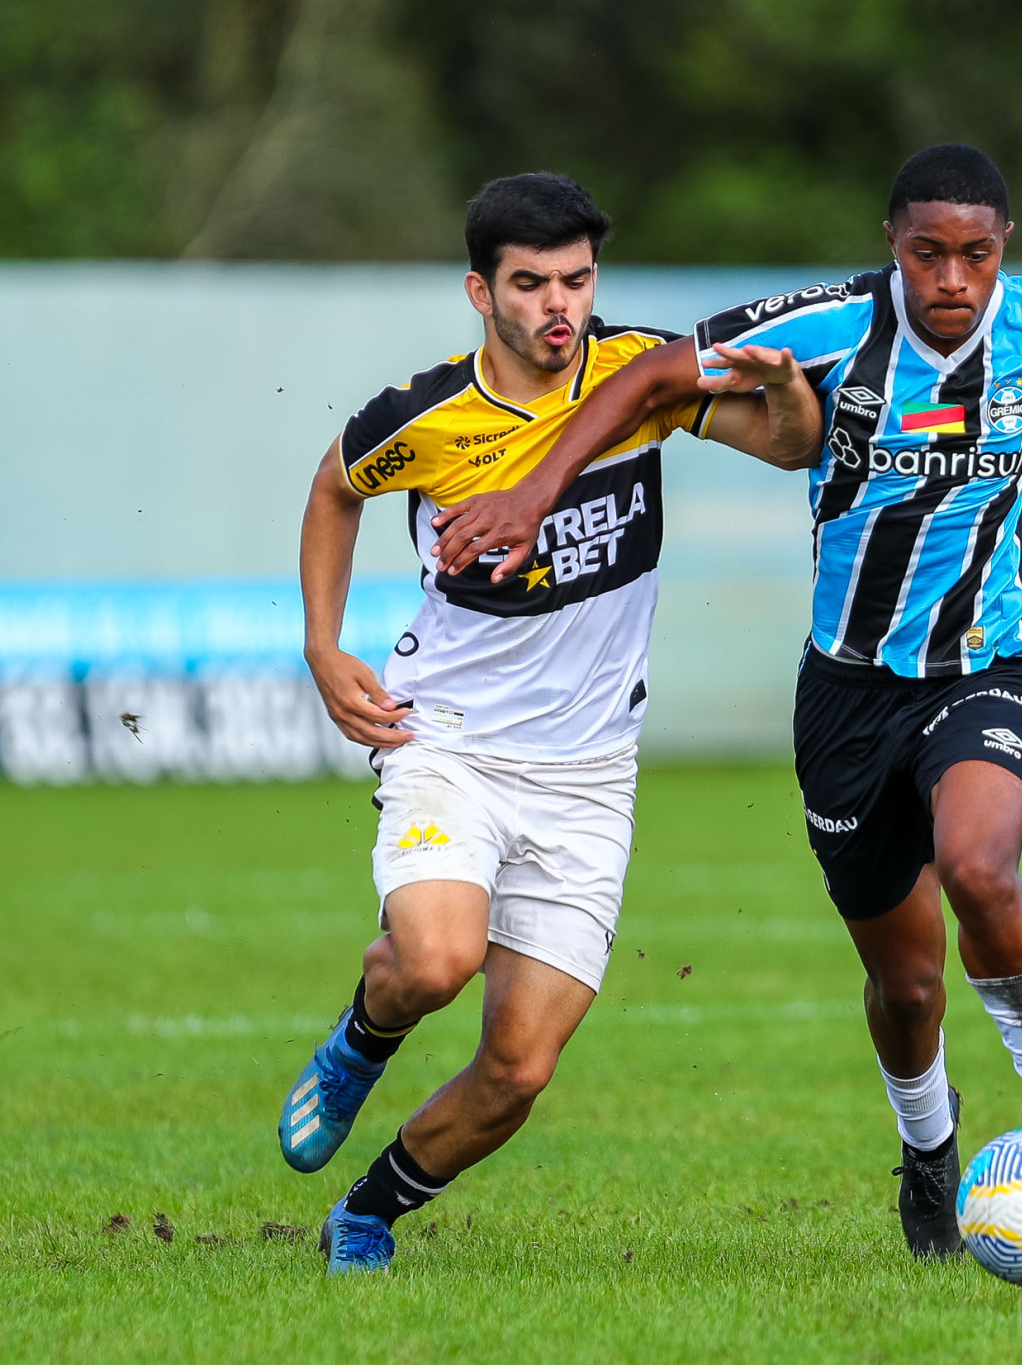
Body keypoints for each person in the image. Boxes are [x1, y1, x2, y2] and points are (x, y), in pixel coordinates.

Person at [431, 144, 1022, 1258]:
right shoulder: (832, 325)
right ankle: (927, 1151)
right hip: (848, 694)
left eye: (973, 254)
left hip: (987, 662)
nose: (950, 279)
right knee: (904, 985)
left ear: (1000, 249)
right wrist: (533, 488)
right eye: (926, 254)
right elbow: (649, 379)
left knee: (977, 867)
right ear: (891, 247)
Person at [283, 172, 821, 1274]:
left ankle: (368, 1212)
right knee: (434, 961)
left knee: (518, 1072)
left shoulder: (639, 375)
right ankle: (360, 1041)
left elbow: (788, 446)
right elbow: (334, 489)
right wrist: (321, 645)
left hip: (587, 774)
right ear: (480, 293)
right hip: (452, 745)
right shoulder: (423, 417)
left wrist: (790, 392)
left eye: (575, 280)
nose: (557, 305)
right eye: (530, 284)